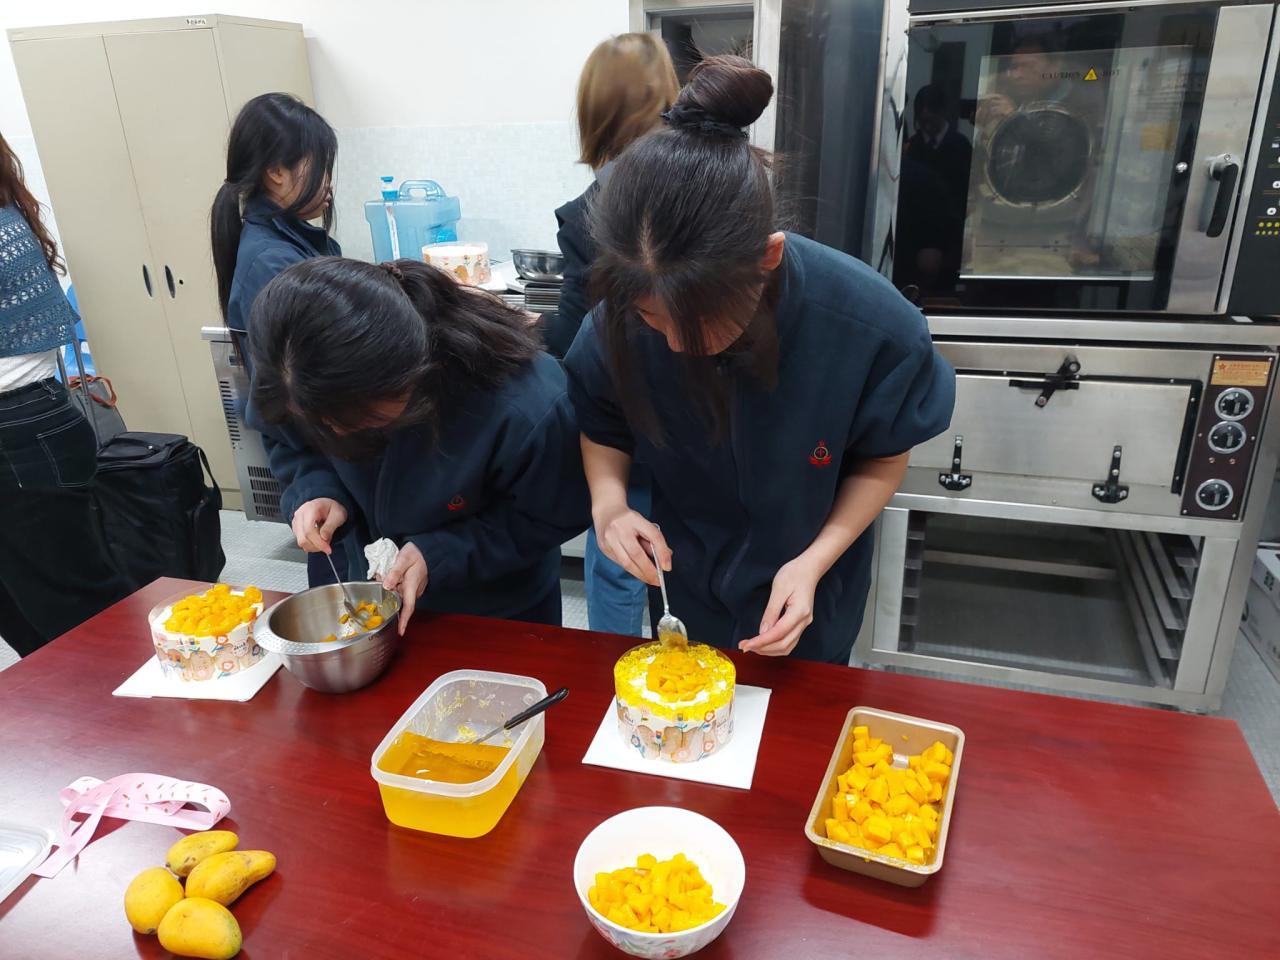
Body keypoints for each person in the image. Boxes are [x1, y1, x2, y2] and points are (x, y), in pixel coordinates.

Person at [564, 56, 956, 665]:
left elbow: (882, 457)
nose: (676, 346)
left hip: (810, 590)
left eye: (700, 322)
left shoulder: (871, 326)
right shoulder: (616, 321)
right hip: (689, 585)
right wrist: (610, 505)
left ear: (767, 258)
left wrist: (814, 562)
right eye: (652, 319)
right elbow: (603, 424)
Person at [246, 257, 590, 632]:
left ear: (406, 376)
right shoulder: (293, 370)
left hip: (491, 610)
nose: (333, 433)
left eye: (353, 421)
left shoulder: (524, 403)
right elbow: (286, 439)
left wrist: (441, 552)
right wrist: (314, 489)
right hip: (359, 584)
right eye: (319, 424)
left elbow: (549, 517)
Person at [548, 33, 680, 638]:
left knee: (621, 546)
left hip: (628, 412)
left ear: (594, 111)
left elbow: (576, 328)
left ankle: (617, 665)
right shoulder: (701, 177)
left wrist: (529, 338)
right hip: (703, 409)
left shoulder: (593, 208)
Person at [0, 132, 131, 656]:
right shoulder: (9, 211)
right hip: (31, 424)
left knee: (81, 615)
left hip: (21, 430)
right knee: (27, 607)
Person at [209, 92, 346, 587]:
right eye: (320, 166)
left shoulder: (290, 244)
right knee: (346, 592)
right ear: (276, 173)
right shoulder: (274, 264)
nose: (328, 182)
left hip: (326, 459)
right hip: (326, 460)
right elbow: (298, 398)